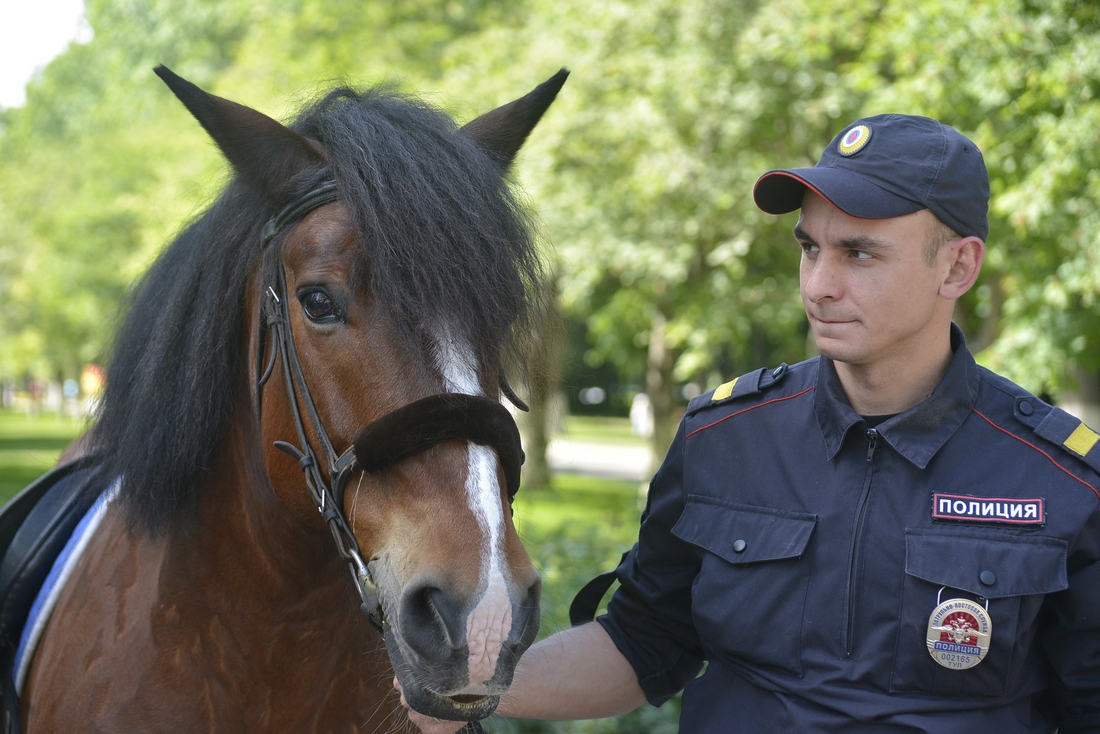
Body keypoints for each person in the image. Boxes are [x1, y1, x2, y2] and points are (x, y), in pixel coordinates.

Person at [402, 114, 1100, 733]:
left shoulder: (1060, 479)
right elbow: (644, 644)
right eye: (809, 248)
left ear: (957, 267)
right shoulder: (722, 440)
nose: (819, 284)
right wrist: (462, 685)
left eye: (859, 253)